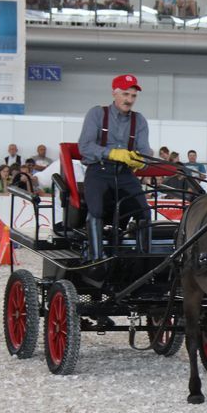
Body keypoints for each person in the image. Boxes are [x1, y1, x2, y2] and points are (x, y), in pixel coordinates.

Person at [78, 74, 153, 277]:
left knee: (145, 213)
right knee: (96, 210)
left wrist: (141, 160)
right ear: (114, 93)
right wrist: (110, 152)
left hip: (125, 174)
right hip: (99, 171)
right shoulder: (96, 114)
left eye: (133, 96)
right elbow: (85, 147)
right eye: (126, 94)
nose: (129, 99)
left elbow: (145, 151)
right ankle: (97, 260)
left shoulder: (140, 121)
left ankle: (142, 260)